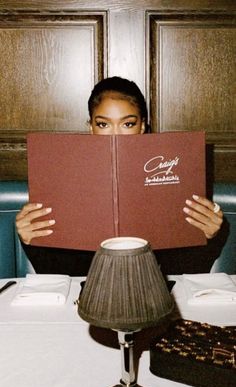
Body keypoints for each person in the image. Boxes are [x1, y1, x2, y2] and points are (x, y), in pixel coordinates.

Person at [16, 76, 225, 276]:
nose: (115, 135)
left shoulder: (173, 172)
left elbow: (181, 273)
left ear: (142, 126)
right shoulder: (65, 178)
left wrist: (209, 235)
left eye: (128, 124)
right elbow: (61, 275)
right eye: (103, 124)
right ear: (90, 127)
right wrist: (30, 239)